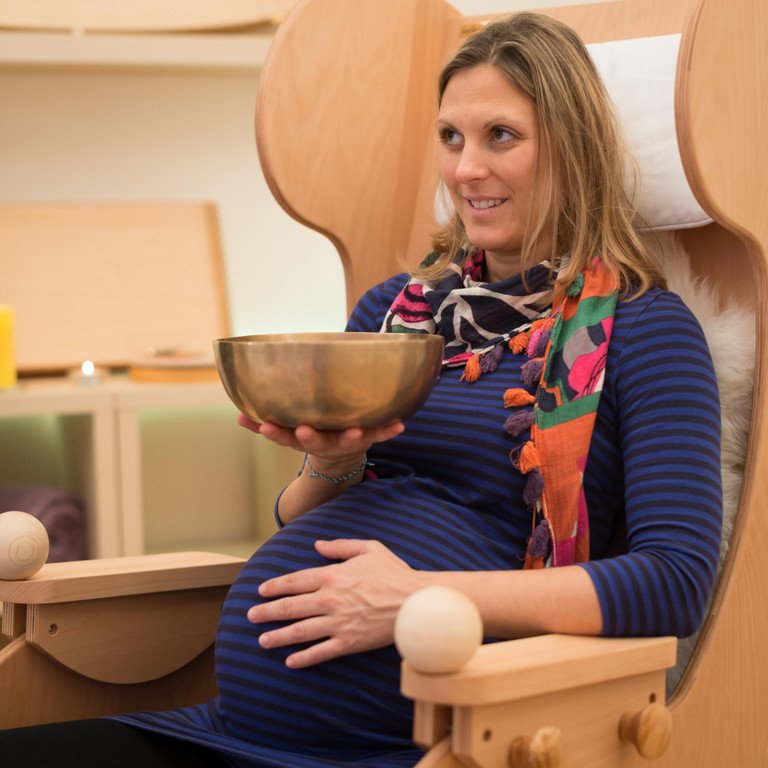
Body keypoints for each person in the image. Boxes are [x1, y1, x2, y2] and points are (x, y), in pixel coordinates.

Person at [0, 11, 722, 768]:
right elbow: (302, 515)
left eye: (501, 136)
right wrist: (331, 461)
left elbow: (672, 583)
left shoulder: (646, 330)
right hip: (226, 730)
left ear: (573, 148)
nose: (465, 169)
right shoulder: (393, 313)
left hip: (426, 744)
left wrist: (423, 597)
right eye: (451, 137)